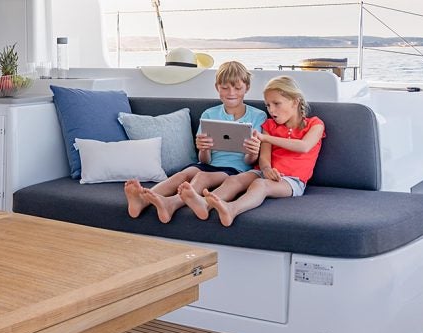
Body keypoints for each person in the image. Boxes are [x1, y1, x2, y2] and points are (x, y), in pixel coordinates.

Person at [124, 60, 267, 223]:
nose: (231, 93)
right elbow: (204, 160)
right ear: (217, 88)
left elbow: (250, 161)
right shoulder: (209, 114)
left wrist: (253, 152)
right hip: (209, 164)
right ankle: (143, 199)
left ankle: (172, 203)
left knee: (202, 176)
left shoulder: (258, 116)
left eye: (237, 88)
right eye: (225, 88)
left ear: (247, 88)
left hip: (235, 169)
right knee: (182, 175)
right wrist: (204, 149)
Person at [185, 75, 325, 227]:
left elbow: (304, 146)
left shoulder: (315, 124)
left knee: (260, 185)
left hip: (292, 180)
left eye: (276, 104)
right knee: (234, 180)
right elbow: (264, 158)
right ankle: (204, 204)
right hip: (264, 172)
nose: (271, 110)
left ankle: (232, 209)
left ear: (295, 101)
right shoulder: (269, 125)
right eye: (268, 105)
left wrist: (266, 138)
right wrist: (266, 168)